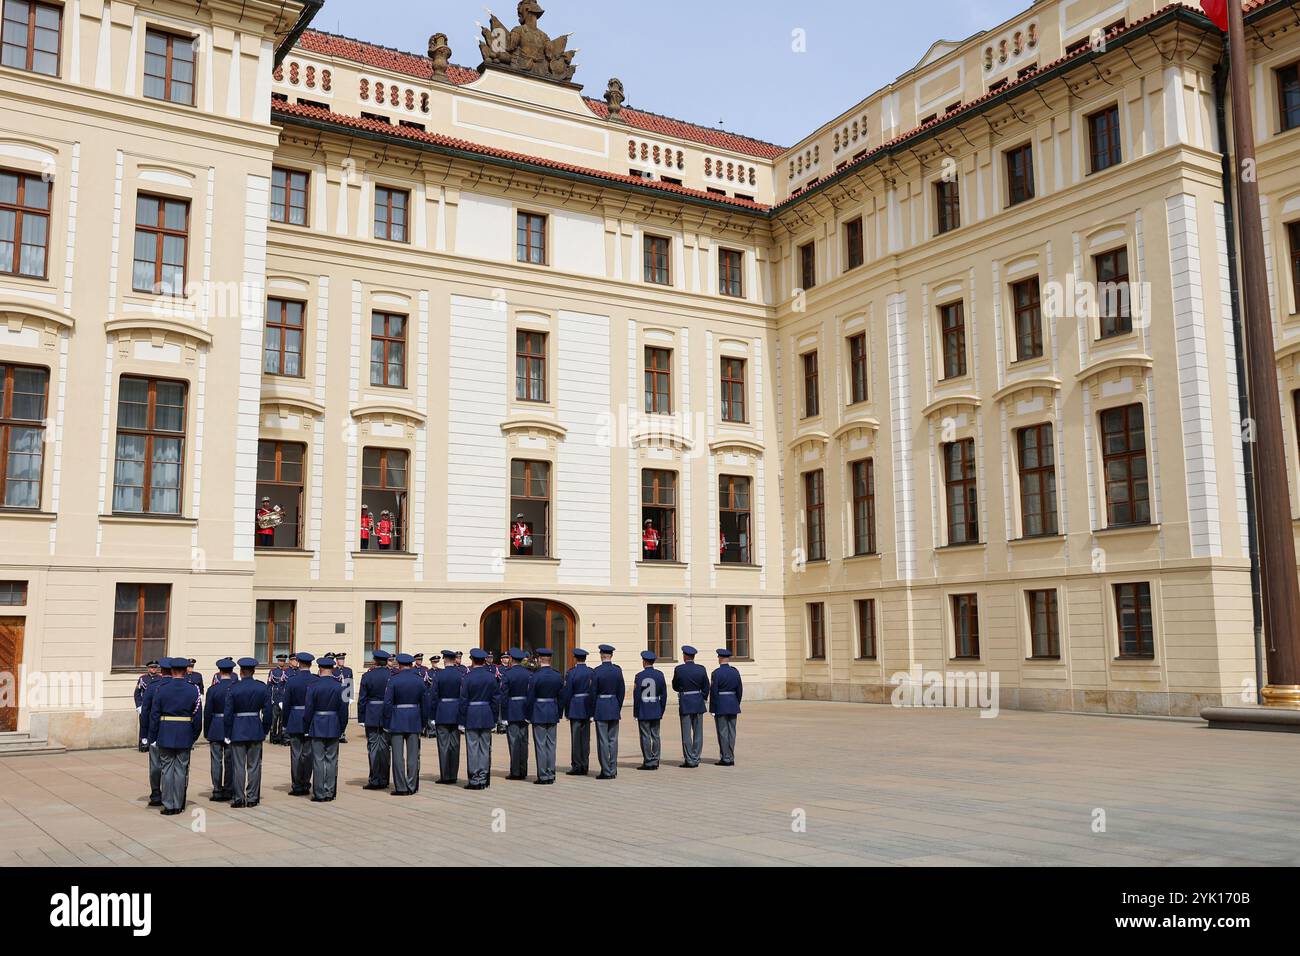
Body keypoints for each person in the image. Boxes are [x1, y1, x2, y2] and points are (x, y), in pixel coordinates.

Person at [147, 658, 203, 815]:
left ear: (171, 671)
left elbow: (154, 714)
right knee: (180, 770)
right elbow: (198, 716)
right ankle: (178, 804)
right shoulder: (194, 690)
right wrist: (193, 736)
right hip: (185, 732)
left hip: (165, 731)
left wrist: (153, 736)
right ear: (185, 671)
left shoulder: (161, 689)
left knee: (166, 769)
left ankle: (168, 804)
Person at [222, 658, 273, 808]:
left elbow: (228, 714)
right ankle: (252, 797)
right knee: (254, 766)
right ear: (254, 671)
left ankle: (238, 798)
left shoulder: (234, 688)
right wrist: (264, 729)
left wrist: (227, 732)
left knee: (238, 766)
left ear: (241, 672)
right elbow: (268, 713)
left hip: (238, 730)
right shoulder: (261, 688)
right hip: (255, 729)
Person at [303, 657, 349, 801]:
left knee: (318, 760)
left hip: (317, 724)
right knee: (331, 760)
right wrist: (342, 727)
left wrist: (306, 726)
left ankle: (319, 793)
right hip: (334, 724)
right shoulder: (341, 686)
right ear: (333, 669)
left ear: (320, 669)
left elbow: (308, 710)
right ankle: (330, 791)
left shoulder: (313, 686)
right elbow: (344, 710)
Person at [383, 653, 427, 796]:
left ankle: (401, 787)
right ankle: (412, 785)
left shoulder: (394, 680)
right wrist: (423, 721)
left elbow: (388, 703)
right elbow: (425, 704)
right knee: (413, 755)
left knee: (397, 755)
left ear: (400, 665)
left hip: (397, 719)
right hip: (414, 718)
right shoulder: (419, 680)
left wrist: (387, 721)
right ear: (412, 664)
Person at [459, 649, 499, 790]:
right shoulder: (491, 677)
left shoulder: (467, 678)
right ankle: (483, 777)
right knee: (484, 748)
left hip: (472, 714)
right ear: (484, 661)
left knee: (472, 748)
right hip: (487, 713)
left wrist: (462, 721)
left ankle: (474, 779)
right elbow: (495, 700)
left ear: (472, 660)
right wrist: (494, 719)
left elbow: (463, 700)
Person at [356, 649, 393, 790]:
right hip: (386, 715)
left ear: (375, 661)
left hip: (371, 714)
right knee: (385, 748)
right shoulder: (391, 675)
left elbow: (362, 699)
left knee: (373, 748)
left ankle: (374, 779)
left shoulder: (367, 676)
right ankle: (384, 779)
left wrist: (361, 718)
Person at [282, 651, 318, 796]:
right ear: (310, 664)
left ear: (299, 663)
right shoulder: (315, 680)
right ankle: (306, 783)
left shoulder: (292, 680)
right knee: (308, 754)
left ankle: (297, 785)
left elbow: (286, 704)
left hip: (295, 719)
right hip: (311, 720)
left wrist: (285, 723)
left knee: (296, 754)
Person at [526, 648, 563, 784]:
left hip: (539, 711)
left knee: (541, 745)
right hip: (552, 711)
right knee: (551, 745)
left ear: (540, 659)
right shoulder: (557, 675)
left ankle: (543, 775)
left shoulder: (536, 676)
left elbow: (530, 697)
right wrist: (559, 713)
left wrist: (529, 714)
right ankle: (551, 773)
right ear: (550, 660)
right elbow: (561, 696)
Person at [203, 658, 238, 802]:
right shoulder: (236, 687)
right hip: (232, 727)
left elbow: (208, 712)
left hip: (216, 726)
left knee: (216, 760)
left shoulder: (212, 689)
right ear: (232, 672)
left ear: (219, 672)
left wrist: (206, 730)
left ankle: (217, 790)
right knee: (230, 760)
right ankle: (229, 789)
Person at [140, 663, 173, 806]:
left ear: (161, 670)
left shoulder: (153, 686)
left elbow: (145, 712)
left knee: (155, 764)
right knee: (173, 765)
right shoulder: (184, 686)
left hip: (155, 730)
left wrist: (145, 735)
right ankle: (171, 794)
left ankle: (155, 793)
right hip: (174, 731)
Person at [672, 645, 709, 768]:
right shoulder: (701, 669)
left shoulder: (679, 669)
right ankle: (696, 757)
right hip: (698, 702)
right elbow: (706, 686)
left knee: (686, 733)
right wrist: (701, 697)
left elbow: (675, 686)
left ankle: (689, 759)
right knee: (698, 732)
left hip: (686, 702)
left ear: (684, 656)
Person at [591, 645, 625, 780]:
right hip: (613, 706)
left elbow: (593, 692)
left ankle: (605, 770)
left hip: (601, 707)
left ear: (601, 655)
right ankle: (613, 768)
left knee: (603, 740)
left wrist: (593, 710)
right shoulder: (617, 670)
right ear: (611, 656)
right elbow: (621, 691)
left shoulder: (597, 671)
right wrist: (618, 706)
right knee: (613, 740)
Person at [432, 650, 464, 784]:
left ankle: (445, 775)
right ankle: (453, 775)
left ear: (445, 660)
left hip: (442, 712)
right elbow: (463, 696)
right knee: (455, 746)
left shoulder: (439, 675)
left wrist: (432, 716)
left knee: (443, 745)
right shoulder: (461, 675)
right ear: (454, 660)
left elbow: (433, 697)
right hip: (456, 712)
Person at [561, 648, 594, 776]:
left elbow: (567, 692)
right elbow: (593, 691)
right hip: (587, 707)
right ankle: (585, 765)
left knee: (575, 739)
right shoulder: (591, 672)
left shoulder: (571, 673)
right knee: (585, 739)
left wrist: (567, 710)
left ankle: (576, 765)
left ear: (575, 658)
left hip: (575, 707)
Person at [500, 648, 532, 780]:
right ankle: (523, 770)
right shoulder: (528, 674)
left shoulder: (507, 674)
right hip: (524, 709)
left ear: (512, 659)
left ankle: (515, 771)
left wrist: (504, 715)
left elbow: (504, 696)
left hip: (512, 710)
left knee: (513, 742)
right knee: (523, 742)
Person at [633, 650, 667, 770]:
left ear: (644, 661)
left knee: (645, 736)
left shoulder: (639, 676)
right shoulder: (660, 674)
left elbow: (636, 696)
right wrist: (661, 709)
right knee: (656, 735)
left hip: (643, 708)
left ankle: (648, 760)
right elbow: (664, 694)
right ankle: (656, 759)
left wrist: (636, 712)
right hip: (655, 707)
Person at [709, 648, 743, 766]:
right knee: (732, 732)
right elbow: (739, 690)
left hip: (721, 705)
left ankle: (725, 757)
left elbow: (714, 692)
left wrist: (713, 708)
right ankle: (731, 755)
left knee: (722, 732)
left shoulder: (716, 673)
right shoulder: (735, 672)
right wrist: (736, 702)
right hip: (733, 703)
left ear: (720, 658)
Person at [135, 660, 162, 753]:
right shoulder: (143, 678)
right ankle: (143, 744)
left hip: (155, 707)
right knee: (144, 724)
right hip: (145, 707)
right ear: (148, 668)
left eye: (155, 667)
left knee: (154, 725)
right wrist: (139, 706)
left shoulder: (160, 678)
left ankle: (153, 744)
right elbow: (137, 693)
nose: (153, 669)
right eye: (151, 667)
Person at [268, 655, 289, 745]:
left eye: (283, 661)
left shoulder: (287, 671)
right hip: (275, 698)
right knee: (274, 719)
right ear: (278, 661)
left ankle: (280, 736)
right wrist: (269, 698)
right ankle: (273, 737)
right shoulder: (273, 671)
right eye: (280, 661)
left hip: (284, 697)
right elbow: (269, 685)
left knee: (282, 719)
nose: (282, 662)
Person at [334, 652, 353, 744]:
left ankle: (342, 733)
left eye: (343, 659)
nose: (342, 661)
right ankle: (336, 733)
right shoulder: (333, 671)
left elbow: (350, 682)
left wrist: (351, 696)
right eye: (340, 659)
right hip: (336, 696)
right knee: (336, 715)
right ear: (337, 661)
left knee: (344, 716)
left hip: (345, 695)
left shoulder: (348, 670)